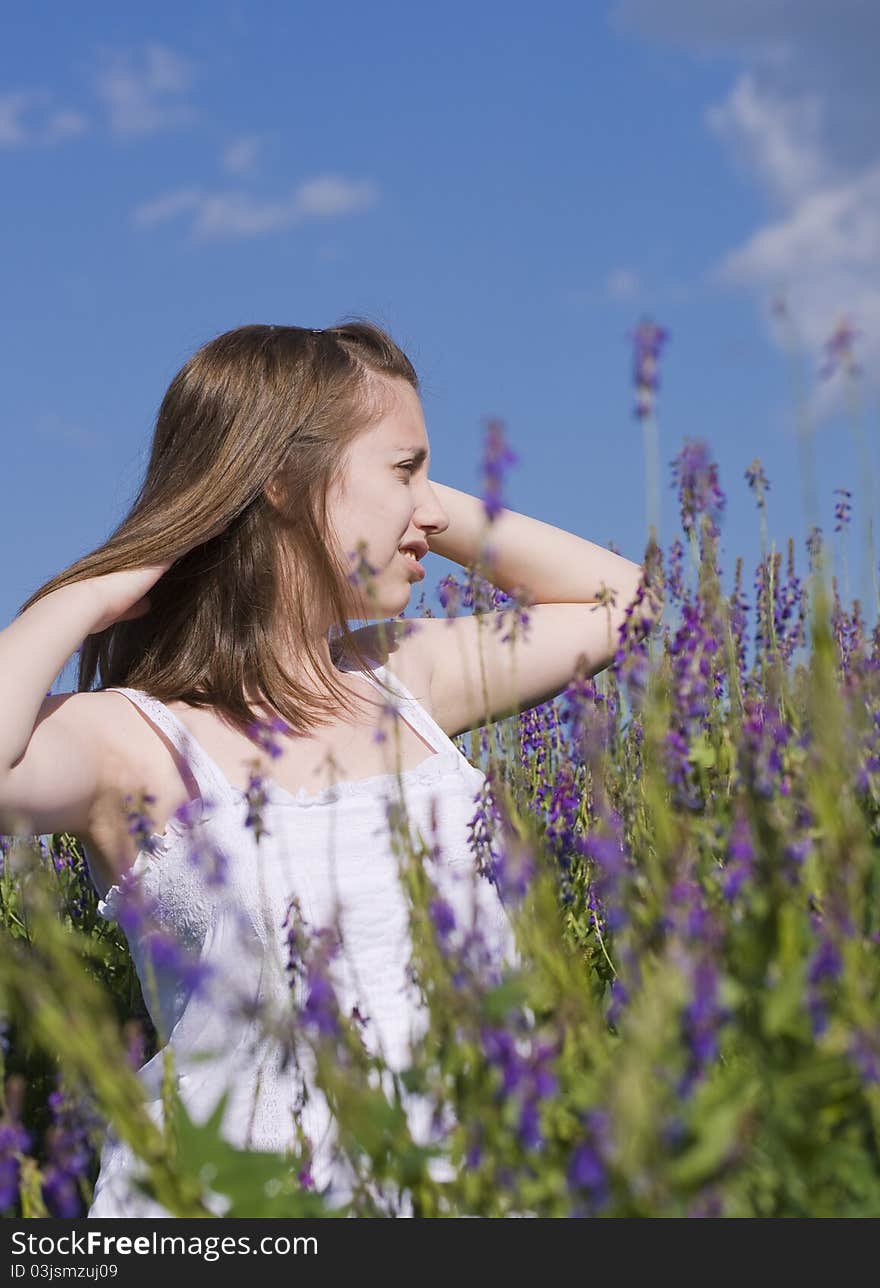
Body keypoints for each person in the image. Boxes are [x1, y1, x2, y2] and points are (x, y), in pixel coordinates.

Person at [0, 321, 658, 1216]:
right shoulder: (138, 740)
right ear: (279, 478)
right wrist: (92, 593)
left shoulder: (403, 674)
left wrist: (413, 491)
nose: (430, 509)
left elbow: (627, 605)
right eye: (402, 470)